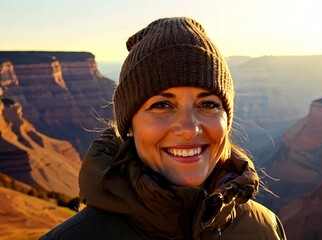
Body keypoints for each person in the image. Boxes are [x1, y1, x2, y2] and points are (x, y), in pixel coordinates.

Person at [40, 17, 286, 240]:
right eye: (162, 105)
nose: (189, 128)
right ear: (130, 127)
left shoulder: (263, 229)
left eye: (208, 104)